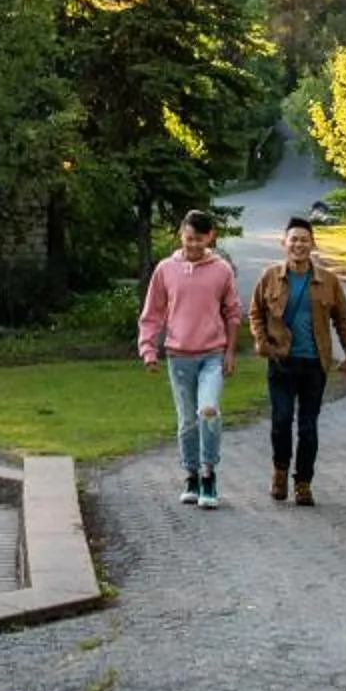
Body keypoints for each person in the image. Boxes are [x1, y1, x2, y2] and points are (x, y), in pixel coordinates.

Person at [139, 209, 243, 508]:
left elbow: (233, 313)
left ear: (210, 237)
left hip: (212, 354)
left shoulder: (221, 270)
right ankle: (191, 475)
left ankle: (209, 473)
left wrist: (231, 352)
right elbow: (152, 313)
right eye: (188, 239)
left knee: (208, 411)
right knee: (187, 421)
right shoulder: (165, 269)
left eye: (199, 239)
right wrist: (148, 349)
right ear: (181, 236)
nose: (193, 245)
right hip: (178, 355)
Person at [247, 216, 346, 504]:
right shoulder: (270, 277)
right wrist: (261, 339)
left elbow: (342, 320)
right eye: (293, 239)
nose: (299, 244)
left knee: (308, 427)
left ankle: (303, 482)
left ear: (313, 244)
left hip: (314, 364)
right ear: (284, 243)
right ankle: (280, 471)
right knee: (281, 420)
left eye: (304, 239)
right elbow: (255, 311)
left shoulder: (328, 281)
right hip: (281, 361)